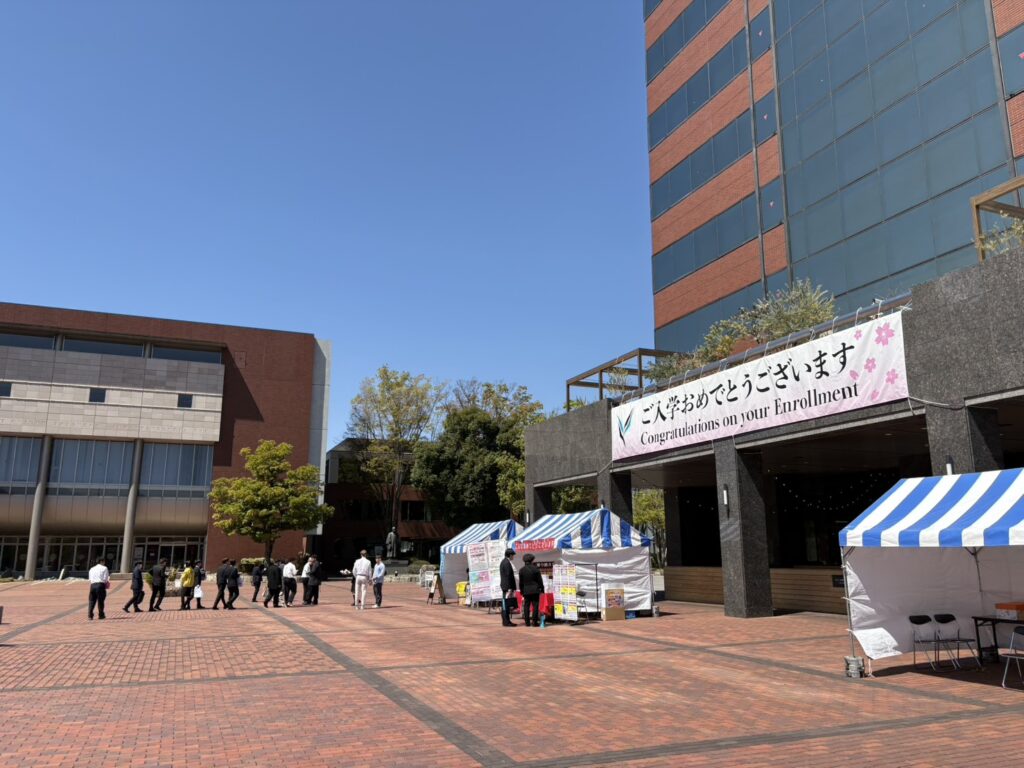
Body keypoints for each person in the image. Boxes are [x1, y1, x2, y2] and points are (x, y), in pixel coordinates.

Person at [518, 553, 544, 628]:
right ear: (532, 560)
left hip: (526, 590)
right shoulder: (536, 569)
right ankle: (534, 622)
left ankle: (527, 622)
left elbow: (521, 582)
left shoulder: (521, 570)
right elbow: (540, 581)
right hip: (535, 589)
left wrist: (521, 591)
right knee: (535, 606)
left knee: (526, 606)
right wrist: (542, 589)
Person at [499, 548, 517, 627]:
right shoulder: (506, 563)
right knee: (505, 605)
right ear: (510, 555)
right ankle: (506, 621)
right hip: (507, 587)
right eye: (513, 555)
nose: (513, 557)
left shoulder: (505, 562)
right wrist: (510, 588)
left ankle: (507, 621)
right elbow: (508, 576)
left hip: (506, 587)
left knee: (506, 604)